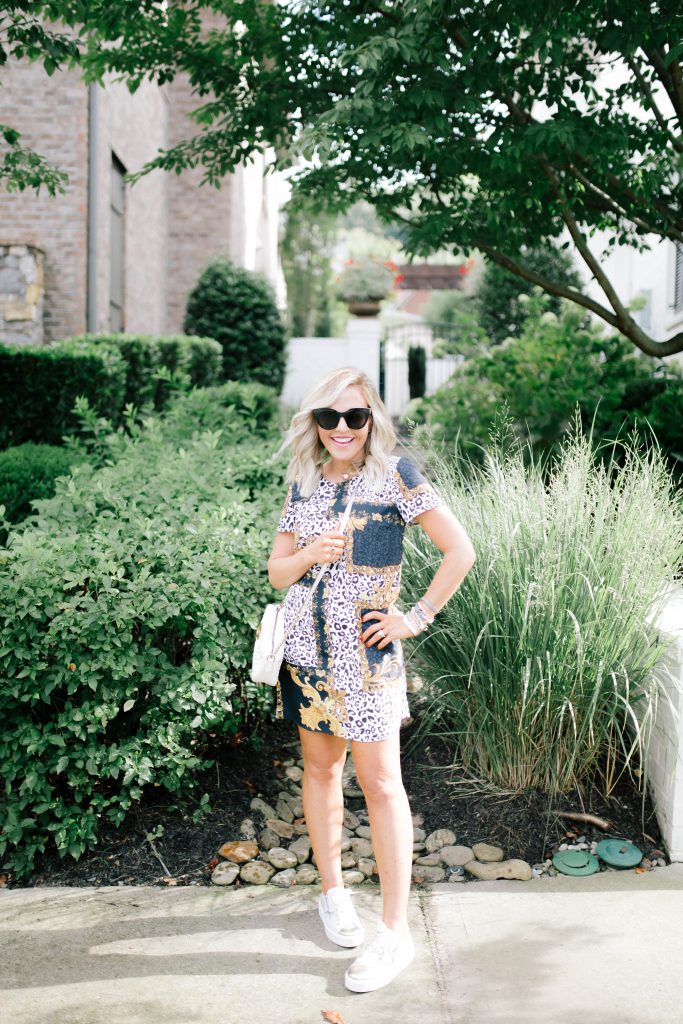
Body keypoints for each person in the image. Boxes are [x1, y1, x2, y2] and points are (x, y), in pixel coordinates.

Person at [267, 366, 476, 993]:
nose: (341, 429)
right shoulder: (303, 480)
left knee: (383, 784)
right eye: (327, 417)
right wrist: (309, 555)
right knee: (321, 770)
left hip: (368, 658)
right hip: (305, 654)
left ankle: (394, 934)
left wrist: (414, 618)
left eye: (353, 417)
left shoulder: (396, 477)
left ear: (371, 420)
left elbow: (458, 549)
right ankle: (333, 891)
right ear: (314, 423)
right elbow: (278, 572)